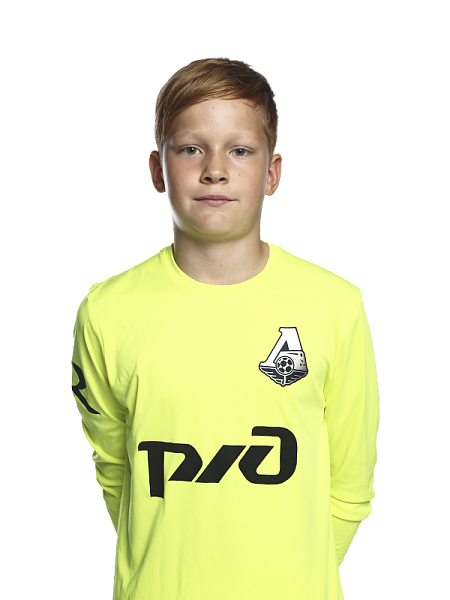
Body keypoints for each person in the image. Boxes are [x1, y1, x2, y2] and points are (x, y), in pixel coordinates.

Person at [71, 57, 380, 600]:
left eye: (240, 150)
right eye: (191, 149)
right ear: (157, 170)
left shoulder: (333, 304)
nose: (215, 170)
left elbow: (350, 485)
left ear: (273, 173)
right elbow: (116, 470)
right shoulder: (107, 309)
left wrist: (289, 576)